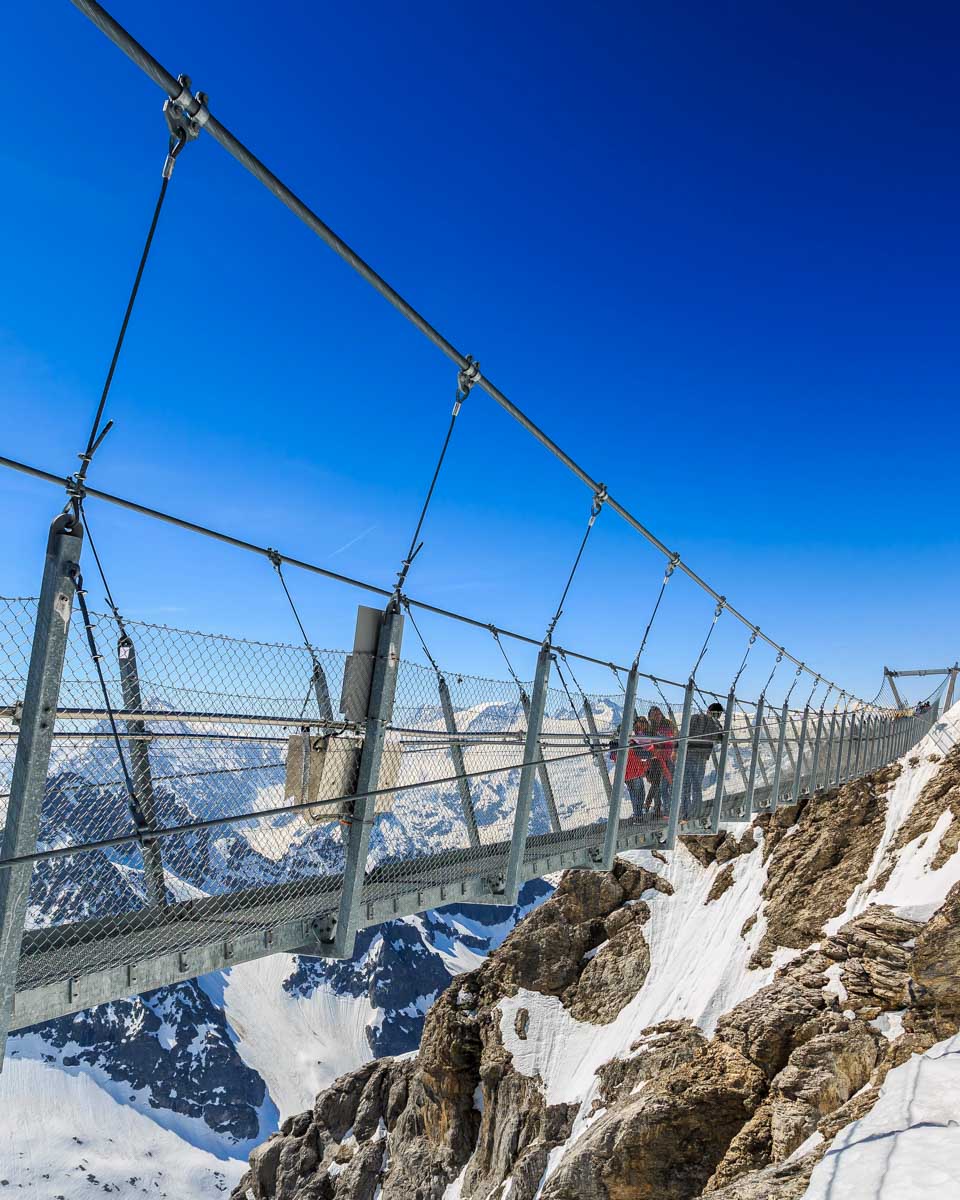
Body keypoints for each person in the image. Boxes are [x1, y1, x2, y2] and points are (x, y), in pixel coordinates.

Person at [683, 701, 724, 821]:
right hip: (700, 758)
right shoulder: (716, 726)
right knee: (696, 786)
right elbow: (721, 738)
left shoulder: (694, 718)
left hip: (687, 756)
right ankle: (695, 813)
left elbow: (685, 732)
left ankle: (686, 814)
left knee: (686, 786)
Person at [610, 715, 653, 820]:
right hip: (633, 772)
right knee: (638, 794)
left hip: (628, 774)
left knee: (637, 794)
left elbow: (613, 756)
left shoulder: (618, 744)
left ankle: (637, 815)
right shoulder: (629, 744)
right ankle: (638, 816)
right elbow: (643, 754)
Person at [645, 706, 676, 819]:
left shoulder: (667, 725)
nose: (657, 716)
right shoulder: (649, 729)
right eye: (654, 715)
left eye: (658, 714)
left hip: (666, 759)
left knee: (666, 786)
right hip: (655, 761)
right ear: (650, 717)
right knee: (658, 786)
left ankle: (669, 810)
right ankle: (661, 810)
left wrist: (663, 751)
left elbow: (670, 742)